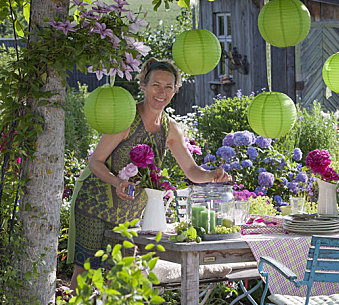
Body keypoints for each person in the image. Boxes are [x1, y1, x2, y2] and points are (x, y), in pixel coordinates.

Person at [67, 58, 231, 291]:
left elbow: (191, 170)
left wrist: (212, 174)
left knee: (121, 274)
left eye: (168, 87)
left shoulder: (170, 128)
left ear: (175, 91)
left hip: (130, 212)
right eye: (156, 85)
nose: (161, 92)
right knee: (86, 271)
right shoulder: (127, 118)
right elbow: (96, 162)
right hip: (95, 204)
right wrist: (117, 181)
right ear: (143, 86)